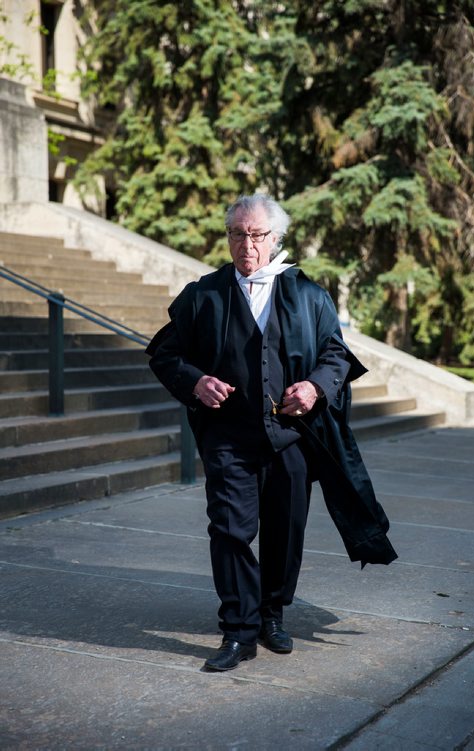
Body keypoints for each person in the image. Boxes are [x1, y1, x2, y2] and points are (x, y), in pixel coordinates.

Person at [146, 194, 397, 672]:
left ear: (276, 239)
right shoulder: (203, 295)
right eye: (238, 234)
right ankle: (238, 631)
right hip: (228, 435)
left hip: (291, 435)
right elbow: (164, 355)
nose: (247, 244)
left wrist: (316, 388)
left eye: (257, 235)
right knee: (230, 529)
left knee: (286, 531)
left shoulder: (308, 295)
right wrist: (196, 382)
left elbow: (336, 356)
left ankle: (272, 613)